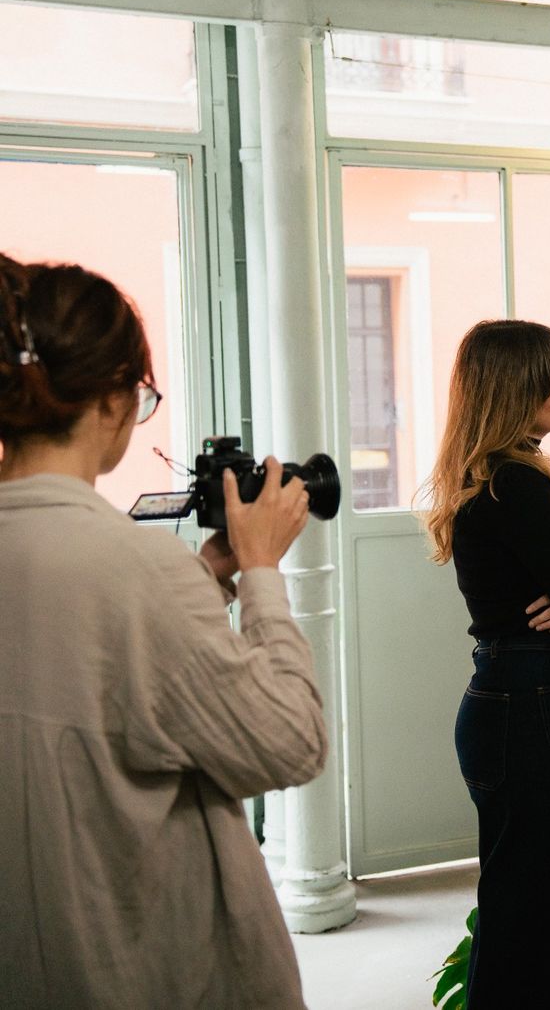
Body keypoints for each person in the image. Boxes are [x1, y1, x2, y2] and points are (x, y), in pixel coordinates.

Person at [0, 259, 326, 1007]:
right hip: (141, 969)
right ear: (114, 399)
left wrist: (207, 578)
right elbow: (290, 743)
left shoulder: (142, 575)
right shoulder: (140, 569)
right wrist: (261, 572)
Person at [422, 320, 550, 1008]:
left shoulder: (500, 480)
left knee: (522, 910)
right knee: (536, 917)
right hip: (522, 723)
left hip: (510, 715)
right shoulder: (517, 486)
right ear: (521, 388)